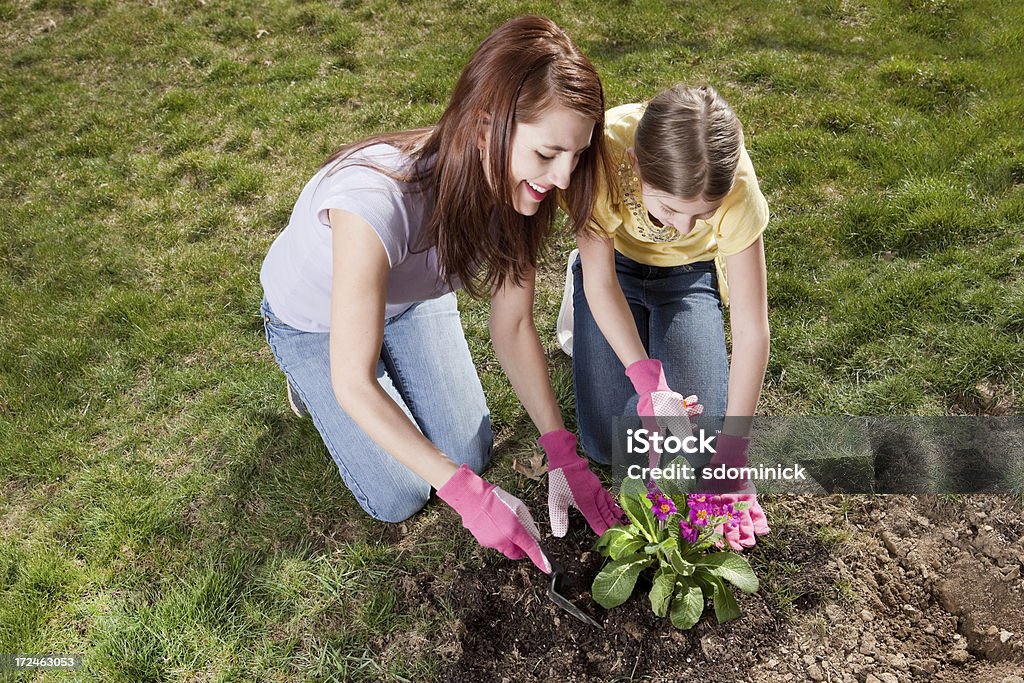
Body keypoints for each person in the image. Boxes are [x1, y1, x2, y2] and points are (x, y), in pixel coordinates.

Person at [258, 16, 622, 574]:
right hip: (316, 322)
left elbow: (514, 327)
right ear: (485, 127)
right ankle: (307, 381)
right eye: (548, 153)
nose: (566, 178)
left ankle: (381, 363)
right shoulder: (373, 203)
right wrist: (469, 497)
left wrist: (561, 451)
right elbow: (353, 383)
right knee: (401, 494)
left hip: (410, 302)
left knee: (469, 453)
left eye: (575, 155)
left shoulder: (519, 191)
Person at [562, 84, 771, 550]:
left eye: (703, 215)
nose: (682, 227)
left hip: (689, 276)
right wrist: (650, 385)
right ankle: (576, 291)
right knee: (605, 445)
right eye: (670, 208)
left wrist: (734, 454)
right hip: (611, 267)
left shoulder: (737, 185)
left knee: (696, 450)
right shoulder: (604, 155)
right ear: (635, 166)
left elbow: (753, 329)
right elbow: (603, 284)